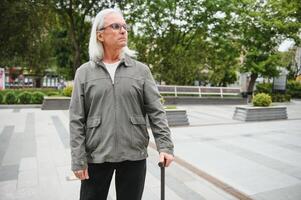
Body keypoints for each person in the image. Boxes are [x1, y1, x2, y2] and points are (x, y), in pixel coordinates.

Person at [69, 8, 174, 200]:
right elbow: (76, 119)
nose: (123, 30)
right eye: (116, 26)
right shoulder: (84, 73)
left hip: (133, 154)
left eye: (125, 26)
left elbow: (156, 112)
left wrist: (165, 146)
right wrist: (78, 159)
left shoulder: (141, 71)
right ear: (100, 34)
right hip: (96, 155)